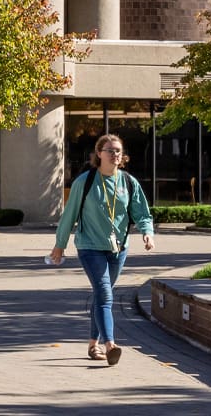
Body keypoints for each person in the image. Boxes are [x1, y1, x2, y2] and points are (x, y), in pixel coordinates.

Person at [50, 133, 155, 366]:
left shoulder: (128, 182)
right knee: (105, 293)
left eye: (118, 150)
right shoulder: (85, 182)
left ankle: (92, 344)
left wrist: (147, 232)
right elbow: (69, 215)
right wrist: (60, 245)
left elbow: (141, 213)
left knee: (101, 295)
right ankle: (111, 345)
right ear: (99, 154)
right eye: (110, 150)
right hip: (90, 247)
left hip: (119, 248)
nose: (115, 154)